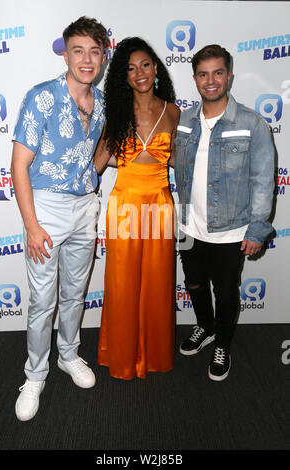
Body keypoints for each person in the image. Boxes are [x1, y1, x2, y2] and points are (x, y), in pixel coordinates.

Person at [11, 16, 108, 420]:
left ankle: (69, 355)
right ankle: (35, 374)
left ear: (103, 57)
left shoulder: (101, 102)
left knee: (74, 292)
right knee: (42, 301)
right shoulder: (42, 97)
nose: (87, 59)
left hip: (85, 206)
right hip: (45, 209)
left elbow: (95, 158)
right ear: (65, 54)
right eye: (78, 50)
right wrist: (32, 226)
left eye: (94, 51)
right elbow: (19, 167)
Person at [174, 44, 275, 381]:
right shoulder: (185, 121)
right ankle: (204, 326)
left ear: (229, 75)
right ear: (195, 79)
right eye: (203, 74)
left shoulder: (251, 122)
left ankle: (224, 342)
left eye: (218, 72)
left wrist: (257, 229)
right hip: (190, 226)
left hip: (231, 230)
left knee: (227, 291)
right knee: (195, 285)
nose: (211, 80)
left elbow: (263, 180)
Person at [94, 37, 180, 380]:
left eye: (145, 64)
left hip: (161, 204)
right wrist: (122, 157)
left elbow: (178, 161)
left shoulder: (173, 111)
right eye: (130, 68)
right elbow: (98, 164)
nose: (139, 73)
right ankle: (123, 356)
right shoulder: (115, 111)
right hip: (126, 203)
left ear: (155, 68)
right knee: (122, 281)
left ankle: (154, 355)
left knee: (158, 282)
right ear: (123, 76)